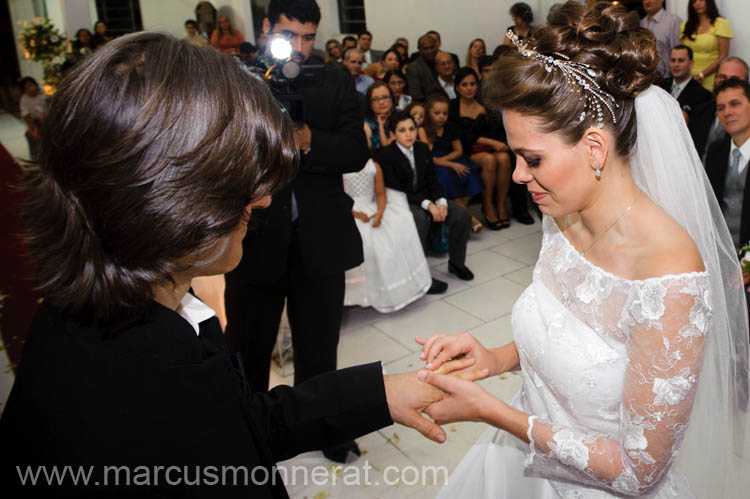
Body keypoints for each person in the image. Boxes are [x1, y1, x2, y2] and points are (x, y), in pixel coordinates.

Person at [0, 30, 473, 498]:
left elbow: (239, 422)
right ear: (171, 199)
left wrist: (378, 395)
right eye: (244, 182)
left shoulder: (130, 318)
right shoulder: (140, 392)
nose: (265, 200)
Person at [416, 2, 749, 498]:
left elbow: (641, 472)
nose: (520, 176)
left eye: (532, 159)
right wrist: (495, 360)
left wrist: (492, 410)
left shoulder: (668, 273)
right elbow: (570, 338)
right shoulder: (562, 214)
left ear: (594, 147)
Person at [224, 0, 369, 464]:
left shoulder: (333, 78)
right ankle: (247, 436)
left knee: (319, 346)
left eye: (310, 37)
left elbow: (355, 151)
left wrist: (308, 140)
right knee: (247, 349)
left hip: (319, 238)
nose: (302, 48)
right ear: (267, 28)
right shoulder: (241, 80)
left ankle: (323, 430)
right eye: (292, 36)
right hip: (255, 240)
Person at [377, 111, 475, 289]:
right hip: (401, 200)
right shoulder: (386, 155)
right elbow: (397, 190)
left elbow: (433, 180)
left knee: (461, 215)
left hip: (425, 196)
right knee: (420, 220)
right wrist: (428, 205)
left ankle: (456, 264)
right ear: (392, 134)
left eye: (412, 129)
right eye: (402, 130)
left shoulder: (422, 149)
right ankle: (420, 277)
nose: (408, 134)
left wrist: (441, 202)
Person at [342, 151, 431, 312]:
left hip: (371, 209)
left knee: (388, 243)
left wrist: (380, 212)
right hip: (348, 211)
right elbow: (338, 196)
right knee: (362, 243)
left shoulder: (373, 166)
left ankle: (386, 290)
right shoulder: (339, 167)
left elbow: (381, 193)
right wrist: (354, 213)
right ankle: (356, 294)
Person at [450, 67, 513, 230]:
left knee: (504, 158)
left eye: (472, 84)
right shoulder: (452, 107)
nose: (469, 88)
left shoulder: (484, 104)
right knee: (489, 160)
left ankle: (500, 205)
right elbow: (461, 136)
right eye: (464, 84)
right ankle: (488, 206)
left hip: (487, 147)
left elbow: (495, 129)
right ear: (457, 87)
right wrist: (492, 143)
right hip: (465, 150)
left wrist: (494, 143)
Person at [419, 93, 484, 233]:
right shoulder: (423, 129)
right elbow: (429, 157)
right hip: (433, 165)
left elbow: (458, 150)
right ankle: (469, 218)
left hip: (449, 158)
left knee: (469, 172)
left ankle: (460, 217)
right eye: (437, 113)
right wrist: (451, 164)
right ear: (428, 112)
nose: (441, 116)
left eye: (445, 113)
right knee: (445, 177)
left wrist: (450, 161)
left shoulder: (450, 127)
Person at [689, 56, 748, 159]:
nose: (726, 83)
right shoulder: (700, 112)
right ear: (715, 79)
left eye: (734, 80)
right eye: (722, 77)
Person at [680, 0, 732, 92]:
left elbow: (723, 56)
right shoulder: (685, 25)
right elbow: (681, 54)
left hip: (711, 77)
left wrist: (701, 75)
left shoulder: (721, 23)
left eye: (701, 0)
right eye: (694, 1)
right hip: (687, 78)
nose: (697, 3)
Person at [658, 44, 712, 118]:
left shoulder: (703, 95)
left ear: (691, 63)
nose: (676, 64)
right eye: (673, 60)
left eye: (681, 60)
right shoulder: (660, 86)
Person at [640, 0, 682, 78]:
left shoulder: (673, 21)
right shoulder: (642, 24)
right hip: (645, 78)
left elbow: (678, 52)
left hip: (667, 78)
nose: (647, 1)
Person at [18, 77, 46, 160]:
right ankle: (35, 157)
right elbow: (26, 115)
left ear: (36, 85)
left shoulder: (44, 95)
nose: (30, 89)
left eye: (31, 86)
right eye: (26, 88)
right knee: (31, 136)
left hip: (48, 120)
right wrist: (33, 129)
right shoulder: (24, 99)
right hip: (35, 122)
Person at [406, 34, 438, 101]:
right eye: (425, 48)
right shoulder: (413, 68)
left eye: (432, 47)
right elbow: (416, 96)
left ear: (436, 46)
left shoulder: (444, 63)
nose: (429, 51)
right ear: (419, 49)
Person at [363, 81, 395, 150]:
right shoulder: (366, 125)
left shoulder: (400, 118)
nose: (381, 102)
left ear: (392, 100)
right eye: (375, 99)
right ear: (370, 104)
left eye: (385, 97)